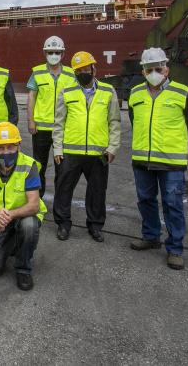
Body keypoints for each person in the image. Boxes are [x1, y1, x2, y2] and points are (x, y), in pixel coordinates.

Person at [128, 47, 188, 270]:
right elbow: (134, 121)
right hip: (142, 159)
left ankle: (175, 249)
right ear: (143, 71)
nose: (154, 73)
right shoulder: (135, 94)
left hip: (171, 162)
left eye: (158, 69)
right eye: (149, 69)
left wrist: (175, 144)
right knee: (146, 200)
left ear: (166, 69)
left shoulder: (183, 93)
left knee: (173, 204)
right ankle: (150, 237)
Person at [52, 51, 121, 242]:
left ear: (94, 69)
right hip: (70, 152)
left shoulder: (108, 91)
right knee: (64, 189)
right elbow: (59, 123)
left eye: (86, 69)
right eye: (79, 71)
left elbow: (114, 122)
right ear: (74, 73)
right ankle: (63, 224)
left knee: (97, 191)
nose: (83, 73)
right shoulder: (66, 92)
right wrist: (57, 149)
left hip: (99, 153)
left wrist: (113, 147)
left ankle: (95, 226)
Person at [0, 122, 46, 291]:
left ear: (19, 146)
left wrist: (5, 216)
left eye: (11, 147)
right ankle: (13, 240)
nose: (6, 152)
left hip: (22, 216)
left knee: (29, 225)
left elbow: (34, 206)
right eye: (1, 148)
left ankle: (23, 268)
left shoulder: (29, 166)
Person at [26, 35, 77, 198]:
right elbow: (32, 96)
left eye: (57, 52)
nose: (54, 55)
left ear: (63, 54)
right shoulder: (37, 72)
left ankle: (60, 200)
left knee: (62, 167)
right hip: (40, 129)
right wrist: (30, 120)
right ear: (45, 53)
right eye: (50, 52)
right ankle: (38, 198)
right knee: (39, 165)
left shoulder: (71, 74)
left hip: (63, 129)